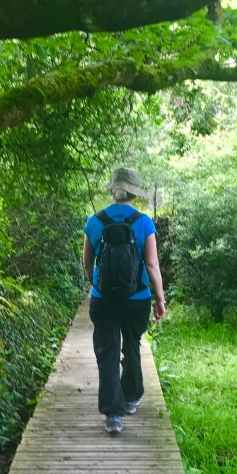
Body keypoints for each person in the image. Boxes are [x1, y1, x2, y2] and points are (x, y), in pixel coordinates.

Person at [83, 166, 166, 435]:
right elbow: (152, 265)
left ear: (114, 190)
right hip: (136, 298)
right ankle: (131, 398)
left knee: (107, 352)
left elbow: (87, 261)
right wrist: (160, 299)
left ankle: (113, 416)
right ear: (133, 193)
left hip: (103, 298)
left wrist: (92, 281)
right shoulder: (144, 222)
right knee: (132, 345)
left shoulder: (95, 221)